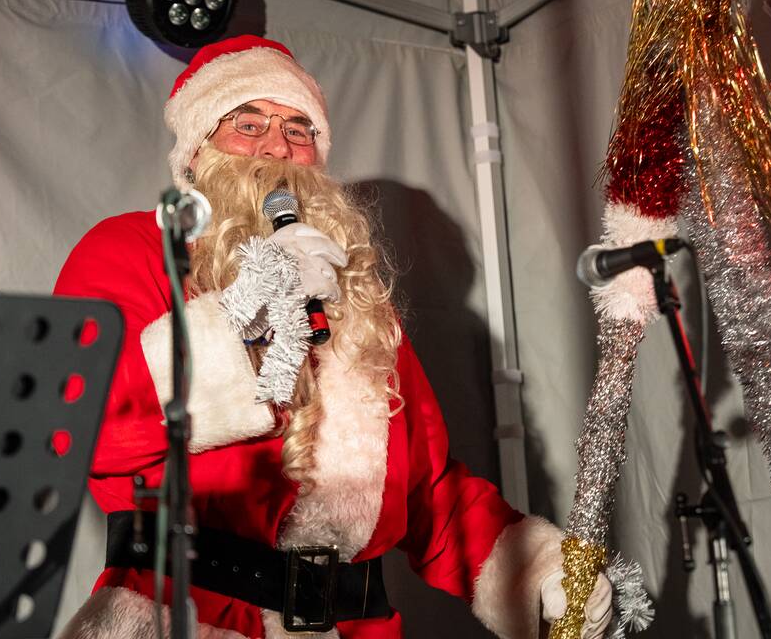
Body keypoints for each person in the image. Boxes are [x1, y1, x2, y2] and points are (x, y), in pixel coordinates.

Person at [54, 35, 612, 639]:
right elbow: (81, 421)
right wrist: (249, 315)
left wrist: (536, 571)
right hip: (184, 616)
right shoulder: (133, 249)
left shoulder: (360, 302)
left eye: (298, 129)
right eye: (248, 123)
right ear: (195, 153)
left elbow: (428, 494)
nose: (278, 146)